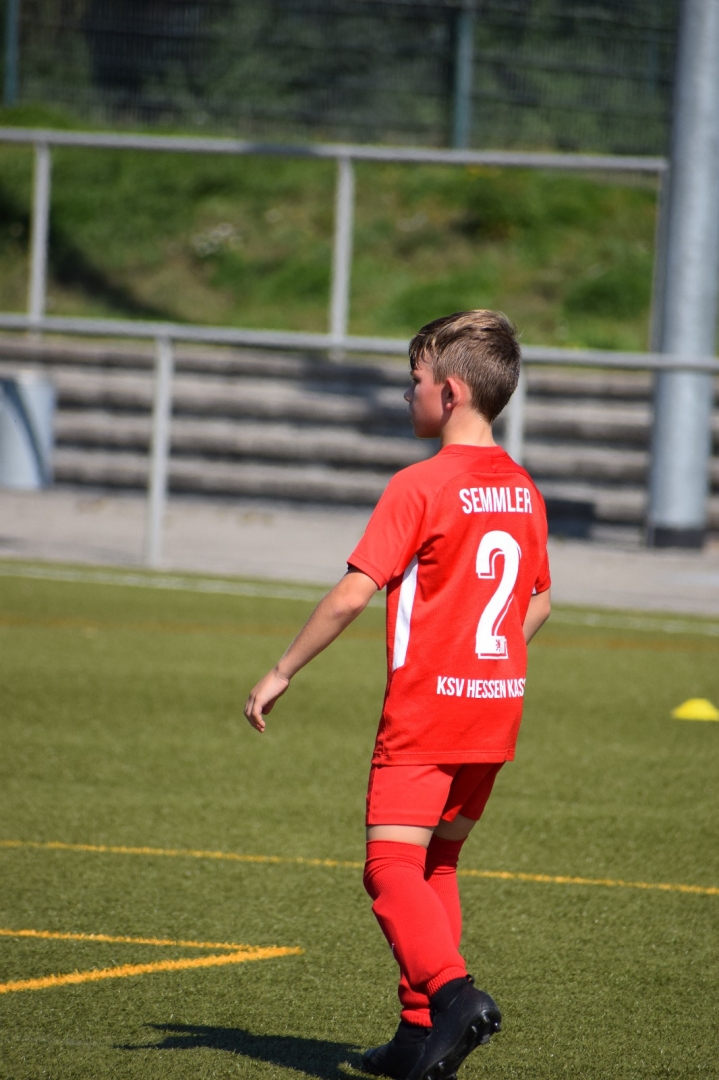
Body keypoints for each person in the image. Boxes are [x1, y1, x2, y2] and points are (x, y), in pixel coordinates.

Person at [245, 310, 551, 1080]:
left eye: (413, 380)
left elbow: (354, 594)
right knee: (436, 865)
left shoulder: (418, 484)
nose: (406, 393)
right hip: (494, 707)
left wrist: (281, 670)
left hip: (427, 713)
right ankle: (417, 1036)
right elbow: (540, 602)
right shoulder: (522, 489)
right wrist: (482, 663)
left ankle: (452, 996)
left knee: (387, 868)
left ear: (450, 393)